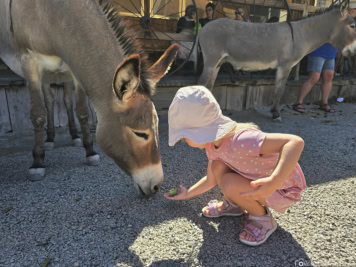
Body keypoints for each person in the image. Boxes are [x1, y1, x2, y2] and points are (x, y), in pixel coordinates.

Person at [164, 86, 306, 247]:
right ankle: (235, 205)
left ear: (199, 132)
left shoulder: (242, 140)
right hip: (257, 183)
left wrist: (273, 181)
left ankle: (262, 218)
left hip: (280, 189)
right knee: (218, 167)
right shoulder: (212, 147)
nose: (185, 141)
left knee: (230, 183)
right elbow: (211, 179)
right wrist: (187, 194)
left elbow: (294, 142)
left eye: (184, 136)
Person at [293, 5, 356, 113]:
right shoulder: (328, 21)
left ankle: (324, 103)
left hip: (331, 53)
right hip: (318, 51)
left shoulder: (349, 22)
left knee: (329, 77)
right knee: (314, 77)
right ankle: (298, 103)